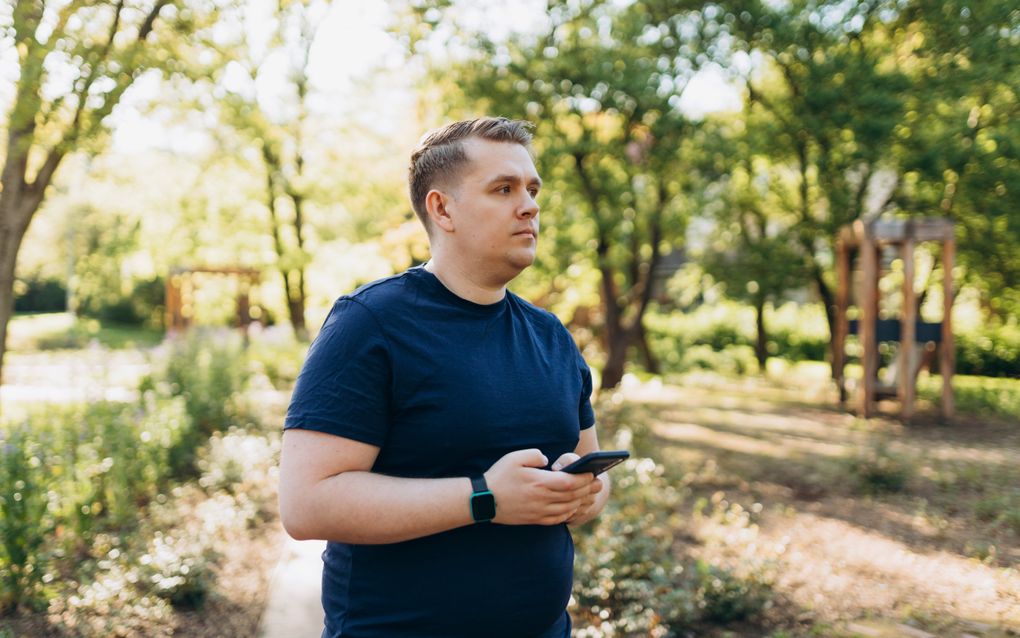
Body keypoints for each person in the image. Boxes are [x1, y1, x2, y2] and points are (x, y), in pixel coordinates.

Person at [278, 116, 610, 638]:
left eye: (532, 188)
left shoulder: (551, 336)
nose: (529, 204)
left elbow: (594, 473)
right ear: (442, 208)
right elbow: (306, 504)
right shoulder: (371, 323)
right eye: (503, 189)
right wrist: (485, 498)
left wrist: (582, 493)